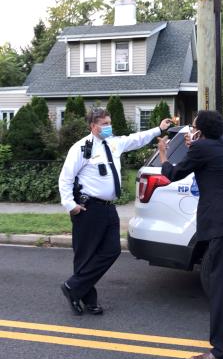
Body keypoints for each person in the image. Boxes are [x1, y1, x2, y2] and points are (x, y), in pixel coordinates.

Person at [158, 110, 223, 359]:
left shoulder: (202, 149)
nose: (191, 131)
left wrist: (163, 156)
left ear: (200, 132)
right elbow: (208, 155)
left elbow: (173, 174)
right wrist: (197, 144)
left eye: (193, 127)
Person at [59, 107, 172, 316]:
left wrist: (159, 129)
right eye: (104, 124)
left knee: (112, 250)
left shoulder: (113, 143)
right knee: (85, 255)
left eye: (109, 123)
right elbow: (65, 178)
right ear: (93, 126)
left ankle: (73, 287)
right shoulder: (81, 148)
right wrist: (70, 205)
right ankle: (87, 299)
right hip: (88, 208)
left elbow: (136, 139)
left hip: (109, 209)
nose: (108, 127)